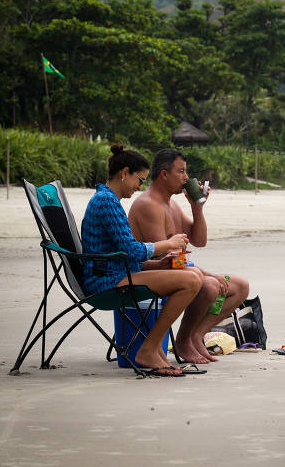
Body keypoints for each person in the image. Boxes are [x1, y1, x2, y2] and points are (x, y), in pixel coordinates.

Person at [81, 144, 202, 377]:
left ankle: (155, 348)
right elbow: (131, 249)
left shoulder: (107, 200)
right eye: (140, 180)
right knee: (191, 281)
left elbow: (123, 253)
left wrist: (158, 264)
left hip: (115, 272)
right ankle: (149, 348)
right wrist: (169, 244)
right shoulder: (106, 201)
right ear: (124, 173)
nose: (140, 187)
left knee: (193, 275)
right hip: (106, 282)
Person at [128, 148, 249, 364]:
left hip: (177, 270)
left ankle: (195, 335)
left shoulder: (171, 204)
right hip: (152, 275)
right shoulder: (149, 205)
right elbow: (169, 260)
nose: (186, 178)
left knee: (239, 286)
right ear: (164, 175)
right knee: (211, 285)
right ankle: (182, 341)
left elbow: (199, 240)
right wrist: (209, 275)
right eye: (181, 172)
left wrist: (197, 208)